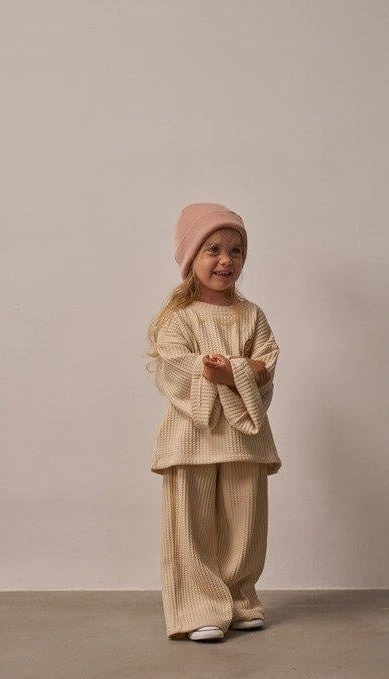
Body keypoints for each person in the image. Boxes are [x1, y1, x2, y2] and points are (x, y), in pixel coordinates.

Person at [146, 202, 282, 642]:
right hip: (192, 436)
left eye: (235, 251)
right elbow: (177, 366)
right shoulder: (177, 318)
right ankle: (199, 607)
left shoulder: (252, 315)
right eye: (213, 250)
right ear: (191, 257)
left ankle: (240, 599)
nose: (226, 260)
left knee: (246, 523)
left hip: (244, 439)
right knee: (192, 526)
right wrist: (238, 372)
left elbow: (267, 363)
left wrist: (233, 371)